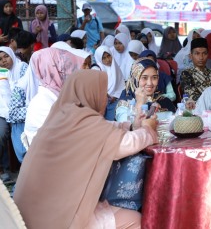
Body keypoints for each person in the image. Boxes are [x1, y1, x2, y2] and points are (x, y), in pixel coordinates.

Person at [14, 70, 158, 228]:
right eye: (102, 93)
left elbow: (106, 130)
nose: (107, 98)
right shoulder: (83, 122)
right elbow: (125, 145)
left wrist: (133, 126)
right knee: (134, 220)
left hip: (34, 212)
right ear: (88, 94)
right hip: (58, 219)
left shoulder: (63, 116)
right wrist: (147, 130)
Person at [24, 47, 87, 145]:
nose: (72, 74)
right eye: (68, 69)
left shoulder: (58, 95)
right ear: (56, 72)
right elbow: (68, 139)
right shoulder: (42, 104)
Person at [116, 58, 176, 123]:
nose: (150, 83)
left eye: (154, 77)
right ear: (135, 79)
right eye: (144, 78)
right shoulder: (125, 103)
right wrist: (140, 103)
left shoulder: (163, 100)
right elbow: (128, 128)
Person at [0, 47, 28, 180]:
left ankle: (25, 167)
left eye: (6, 56)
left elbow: (16, 92)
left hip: (18, 111)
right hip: (8, 113)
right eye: (0, 59)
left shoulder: (18, 68)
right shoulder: (8, 71)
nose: (3, 61)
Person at [95, 46, 125, 121]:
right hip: (101, 103)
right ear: (99, 59)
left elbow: (121, 86)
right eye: (104, 58)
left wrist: (115, 96)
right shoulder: (97, 70)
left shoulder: (115, 68)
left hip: (116, 101)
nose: (107, 60)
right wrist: (107, 96)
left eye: (109, 56)